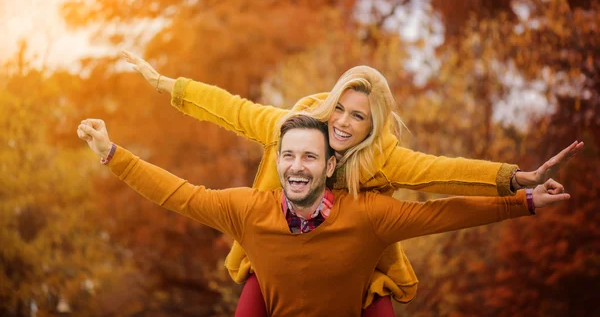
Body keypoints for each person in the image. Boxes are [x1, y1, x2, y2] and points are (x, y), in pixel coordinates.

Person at [122, 50, 584, 315]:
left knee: (375, 300)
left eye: (357, 117)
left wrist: (514, 181)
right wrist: (166, 84)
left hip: (356, 268)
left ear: (371, 125)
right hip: (278, 250)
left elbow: (447, 173)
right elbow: (230, 109)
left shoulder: (383, 162)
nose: (342, 122)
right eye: (340, 108)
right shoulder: (295, 128)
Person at [78, 115, 570, 317]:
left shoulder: (369, 216)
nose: (296, 166)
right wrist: (110, 152)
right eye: (288, 156)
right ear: (277, 162)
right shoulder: (249, 212)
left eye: (310, 157)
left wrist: (523, 200)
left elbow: (445, 212)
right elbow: (178, 194)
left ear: (330, 165)